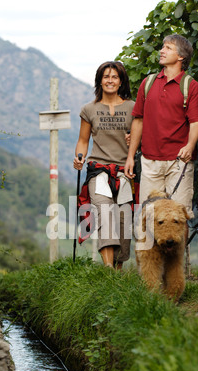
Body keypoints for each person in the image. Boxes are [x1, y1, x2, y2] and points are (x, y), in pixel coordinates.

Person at [124, 34, 198, 219]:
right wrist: (131, 157)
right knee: (148, 217)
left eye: (168, 48)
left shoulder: (191, 86)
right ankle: (147, 250)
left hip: (179, 162)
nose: (162, 51)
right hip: (149, 162)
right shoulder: (148, 83)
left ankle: (179, 250)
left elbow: (195, 122)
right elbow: (138, 120)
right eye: (163, 47)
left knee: (179, 217)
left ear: (181, 57)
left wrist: (190, 146)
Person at [74, 61, 135, 268]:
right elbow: (83, 140)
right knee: (105, 214)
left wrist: (134, 140)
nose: (110, 80)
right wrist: (79, 157)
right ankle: (108, 272)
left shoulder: (132, 107)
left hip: (125, 173)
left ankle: (117, 274)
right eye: (106, 76)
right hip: (98, 171)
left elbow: (140, 139)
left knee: (123, 221)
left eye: (114, 77)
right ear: (100, 80)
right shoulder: (89, 109)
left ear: (121, 81)